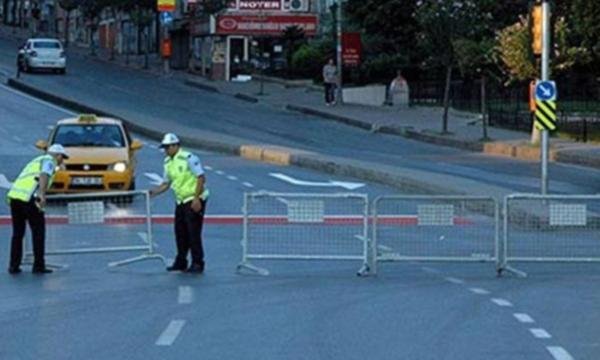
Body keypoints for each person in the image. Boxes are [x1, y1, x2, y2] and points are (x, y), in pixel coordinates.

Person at [149, 133, 209, 274]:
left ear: (176, 145)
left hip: (194, 199)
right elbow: (166, 183)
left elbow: (201, 178)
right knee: (180, 232)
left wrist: (196, 198)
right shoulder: (168, 162)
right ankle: (181, 261)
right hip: (181, 200)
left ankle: (198, 263)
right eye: (164, 148)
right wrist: (153, 193)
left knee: (193, 233)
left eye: (168, 147)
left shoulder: (189, 158)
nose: (166, 150)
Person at [7, 144, 69, 274]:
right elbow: (44, 175)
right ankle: (38, 265)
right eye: (62, 157)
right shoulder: (49, 161)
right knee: (38, 232)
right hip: (30, 198)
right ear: (58, 155)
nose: (62, 160)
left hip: (15, 198)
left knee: (18, 234)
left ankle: (14, 265)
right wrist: (41, 194)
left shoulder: (36, 161)